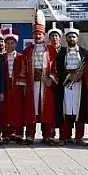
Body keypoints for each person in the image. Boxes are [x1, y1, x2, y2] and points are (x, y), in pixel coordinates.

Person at [18, 10, 58, 145]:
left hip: (46, 85)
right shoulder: (27, 51)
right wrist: (24, 85)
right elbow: (23, 69)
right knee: (31, 111)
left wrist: (51, 79)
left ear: (44, 35)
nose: (38, 36)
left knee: (47, 111)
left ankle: (48, 136)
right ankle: (29, 135)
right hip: (32, 84)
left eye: (40, 34)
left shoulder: (51, 50)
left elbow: (56, 67)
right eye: (35, 34)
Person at [55, 22, 88, 145]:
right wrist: (69, 76)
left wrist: (81, 76)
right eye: (69, 37)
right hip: (66, 85)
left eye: (73, 37)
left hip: (79, 86)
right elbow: (58, 68)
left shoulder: (84, 53)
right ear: (66, 38)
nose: (71, 39)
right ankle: (64, 137)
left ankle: (79, 137)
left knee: (79, 111)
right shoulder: (61, 53)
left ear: (77, 38)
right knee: (66, 111)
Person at [0, 28, 25, 144]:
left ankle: (19, 133)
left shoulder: (21, 57)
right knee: (5, 110)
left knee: (18, 110)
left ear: (16, 44)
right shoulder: (1, 58)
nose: (9, 45)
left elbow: (24, 72)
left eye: (12, 43)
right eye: (7, 43)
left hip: (18, 86)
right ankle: (6, 134)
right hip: (5, 86)